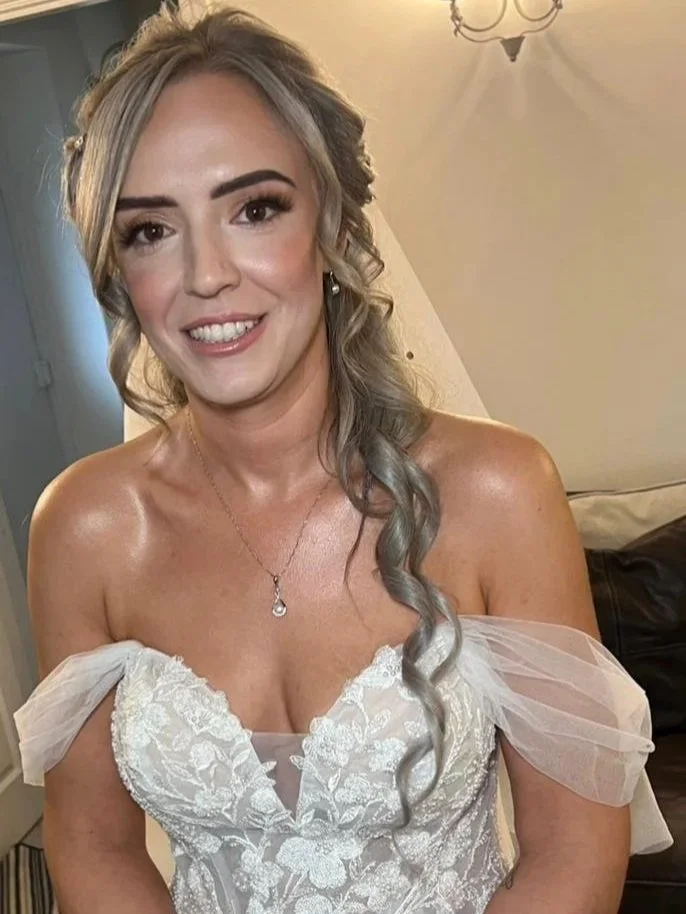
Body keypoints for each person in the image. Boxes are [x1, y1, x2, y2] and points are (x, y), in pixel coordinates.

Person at [14, 6, 671, 914]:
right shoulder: (82, 527)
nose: (207, 275)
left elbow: (575, 852)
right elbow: (91, 850)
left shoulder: (499, 492)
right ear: (120, 271)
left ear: (329, 229)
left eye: (254, 208)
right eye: (150, 230)